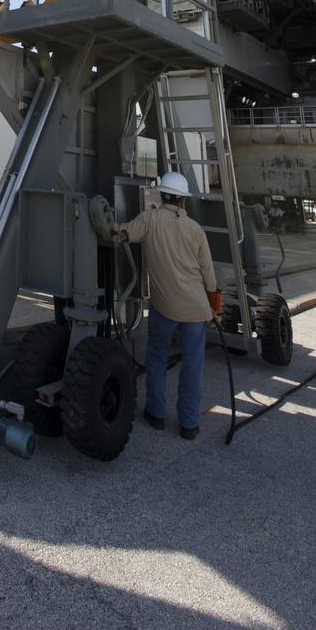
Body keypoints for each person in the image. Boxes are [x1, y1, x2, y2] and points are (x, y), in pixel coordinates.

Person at [117, 172, 218, 441]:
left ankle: (156, 414)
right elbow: (209, 275)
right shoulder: (195, 229)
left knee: (157, 357)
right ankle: (189, 424)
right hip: (196, 309)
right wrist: (214, 308)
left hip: (164, 307)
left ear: (162, 196)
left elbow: (123, 233)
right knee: (193, 365)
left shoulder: (149, 219)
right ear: (183, 200)